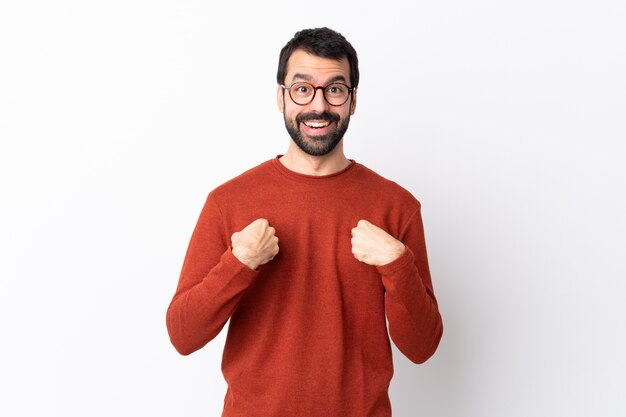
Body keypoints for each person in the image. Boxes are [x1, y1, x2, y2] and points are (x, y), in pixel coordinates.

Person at [166, 27, 443, 417]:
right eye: (302, 89)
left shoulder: (396, 207)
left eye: (335, 89)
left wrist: (398, 263)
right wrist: (238, 263)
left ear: (353, 101)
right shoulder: (228, 202)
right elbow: (183, 335)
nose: (319, 106)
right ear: (281, 97)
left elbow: (422, 347)